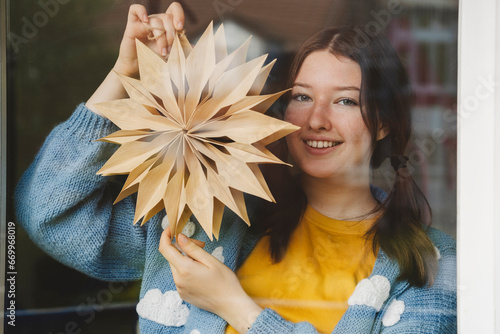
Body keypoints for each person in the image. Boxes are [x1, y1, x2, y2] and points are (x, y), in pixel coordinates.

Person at [15, 2, 456, 333]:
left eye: (345, 100)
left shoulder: (431, 262)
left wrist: (236, 307)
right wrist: (125, 71)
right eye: (301, 96)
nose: (317, 118)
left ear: (382, 122)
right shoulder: (209, 215)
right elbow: (50, 213)